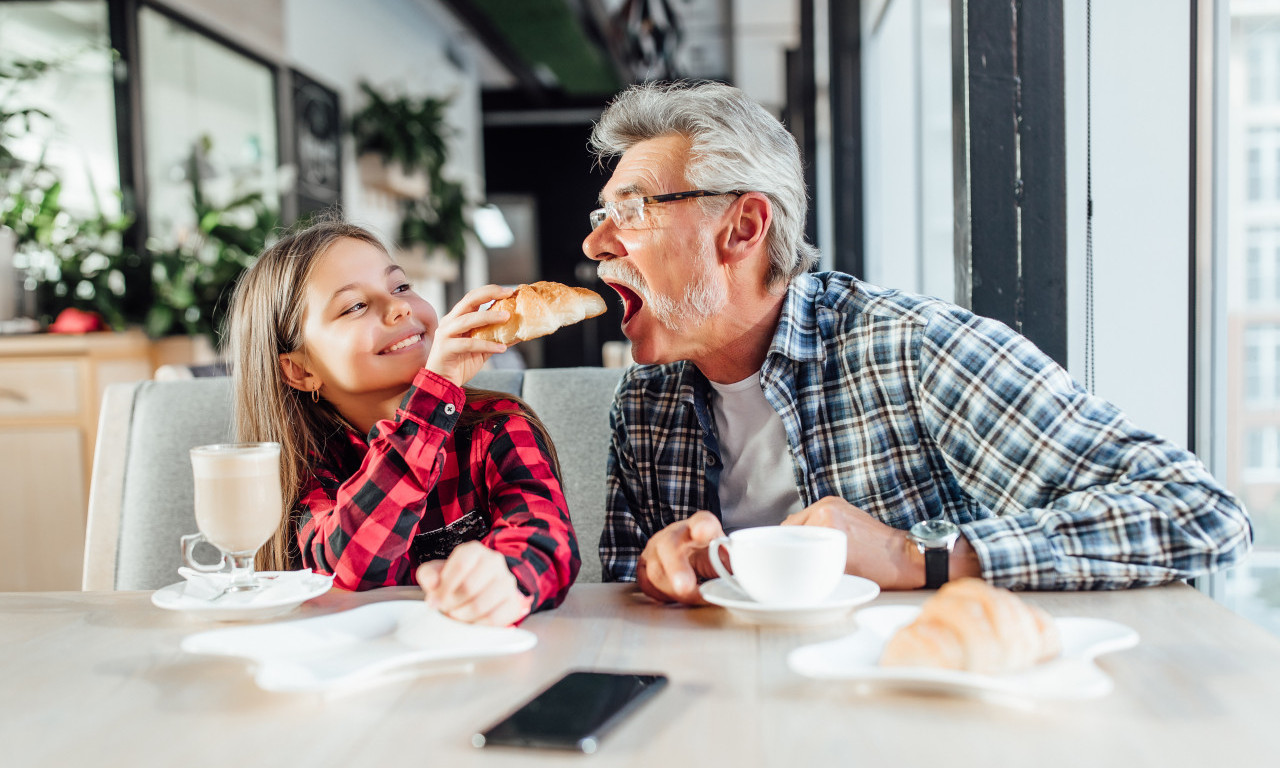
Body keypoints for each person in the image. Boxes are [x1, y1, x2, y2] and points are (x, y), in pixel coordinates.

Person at [582, 81, 1252, 603]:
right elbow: (626, 595)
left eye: (631, 212)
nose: (595, 244)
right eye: (601, 217)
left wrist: (917, 557)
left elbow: (1196, 511)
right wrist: (657, 574)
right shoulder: (645, 405)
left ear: (743, 227)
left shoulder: (913, 351)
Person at [227, 219, 579, 625]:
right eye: (355, 306)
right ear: (300, 371)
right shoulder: (305, 468)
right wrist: (435, 393)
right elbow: (347, 569)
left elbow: (548, 543)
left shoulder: (497, 427)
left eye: (400, 287)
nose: (400, 307)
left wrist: (505, 577)